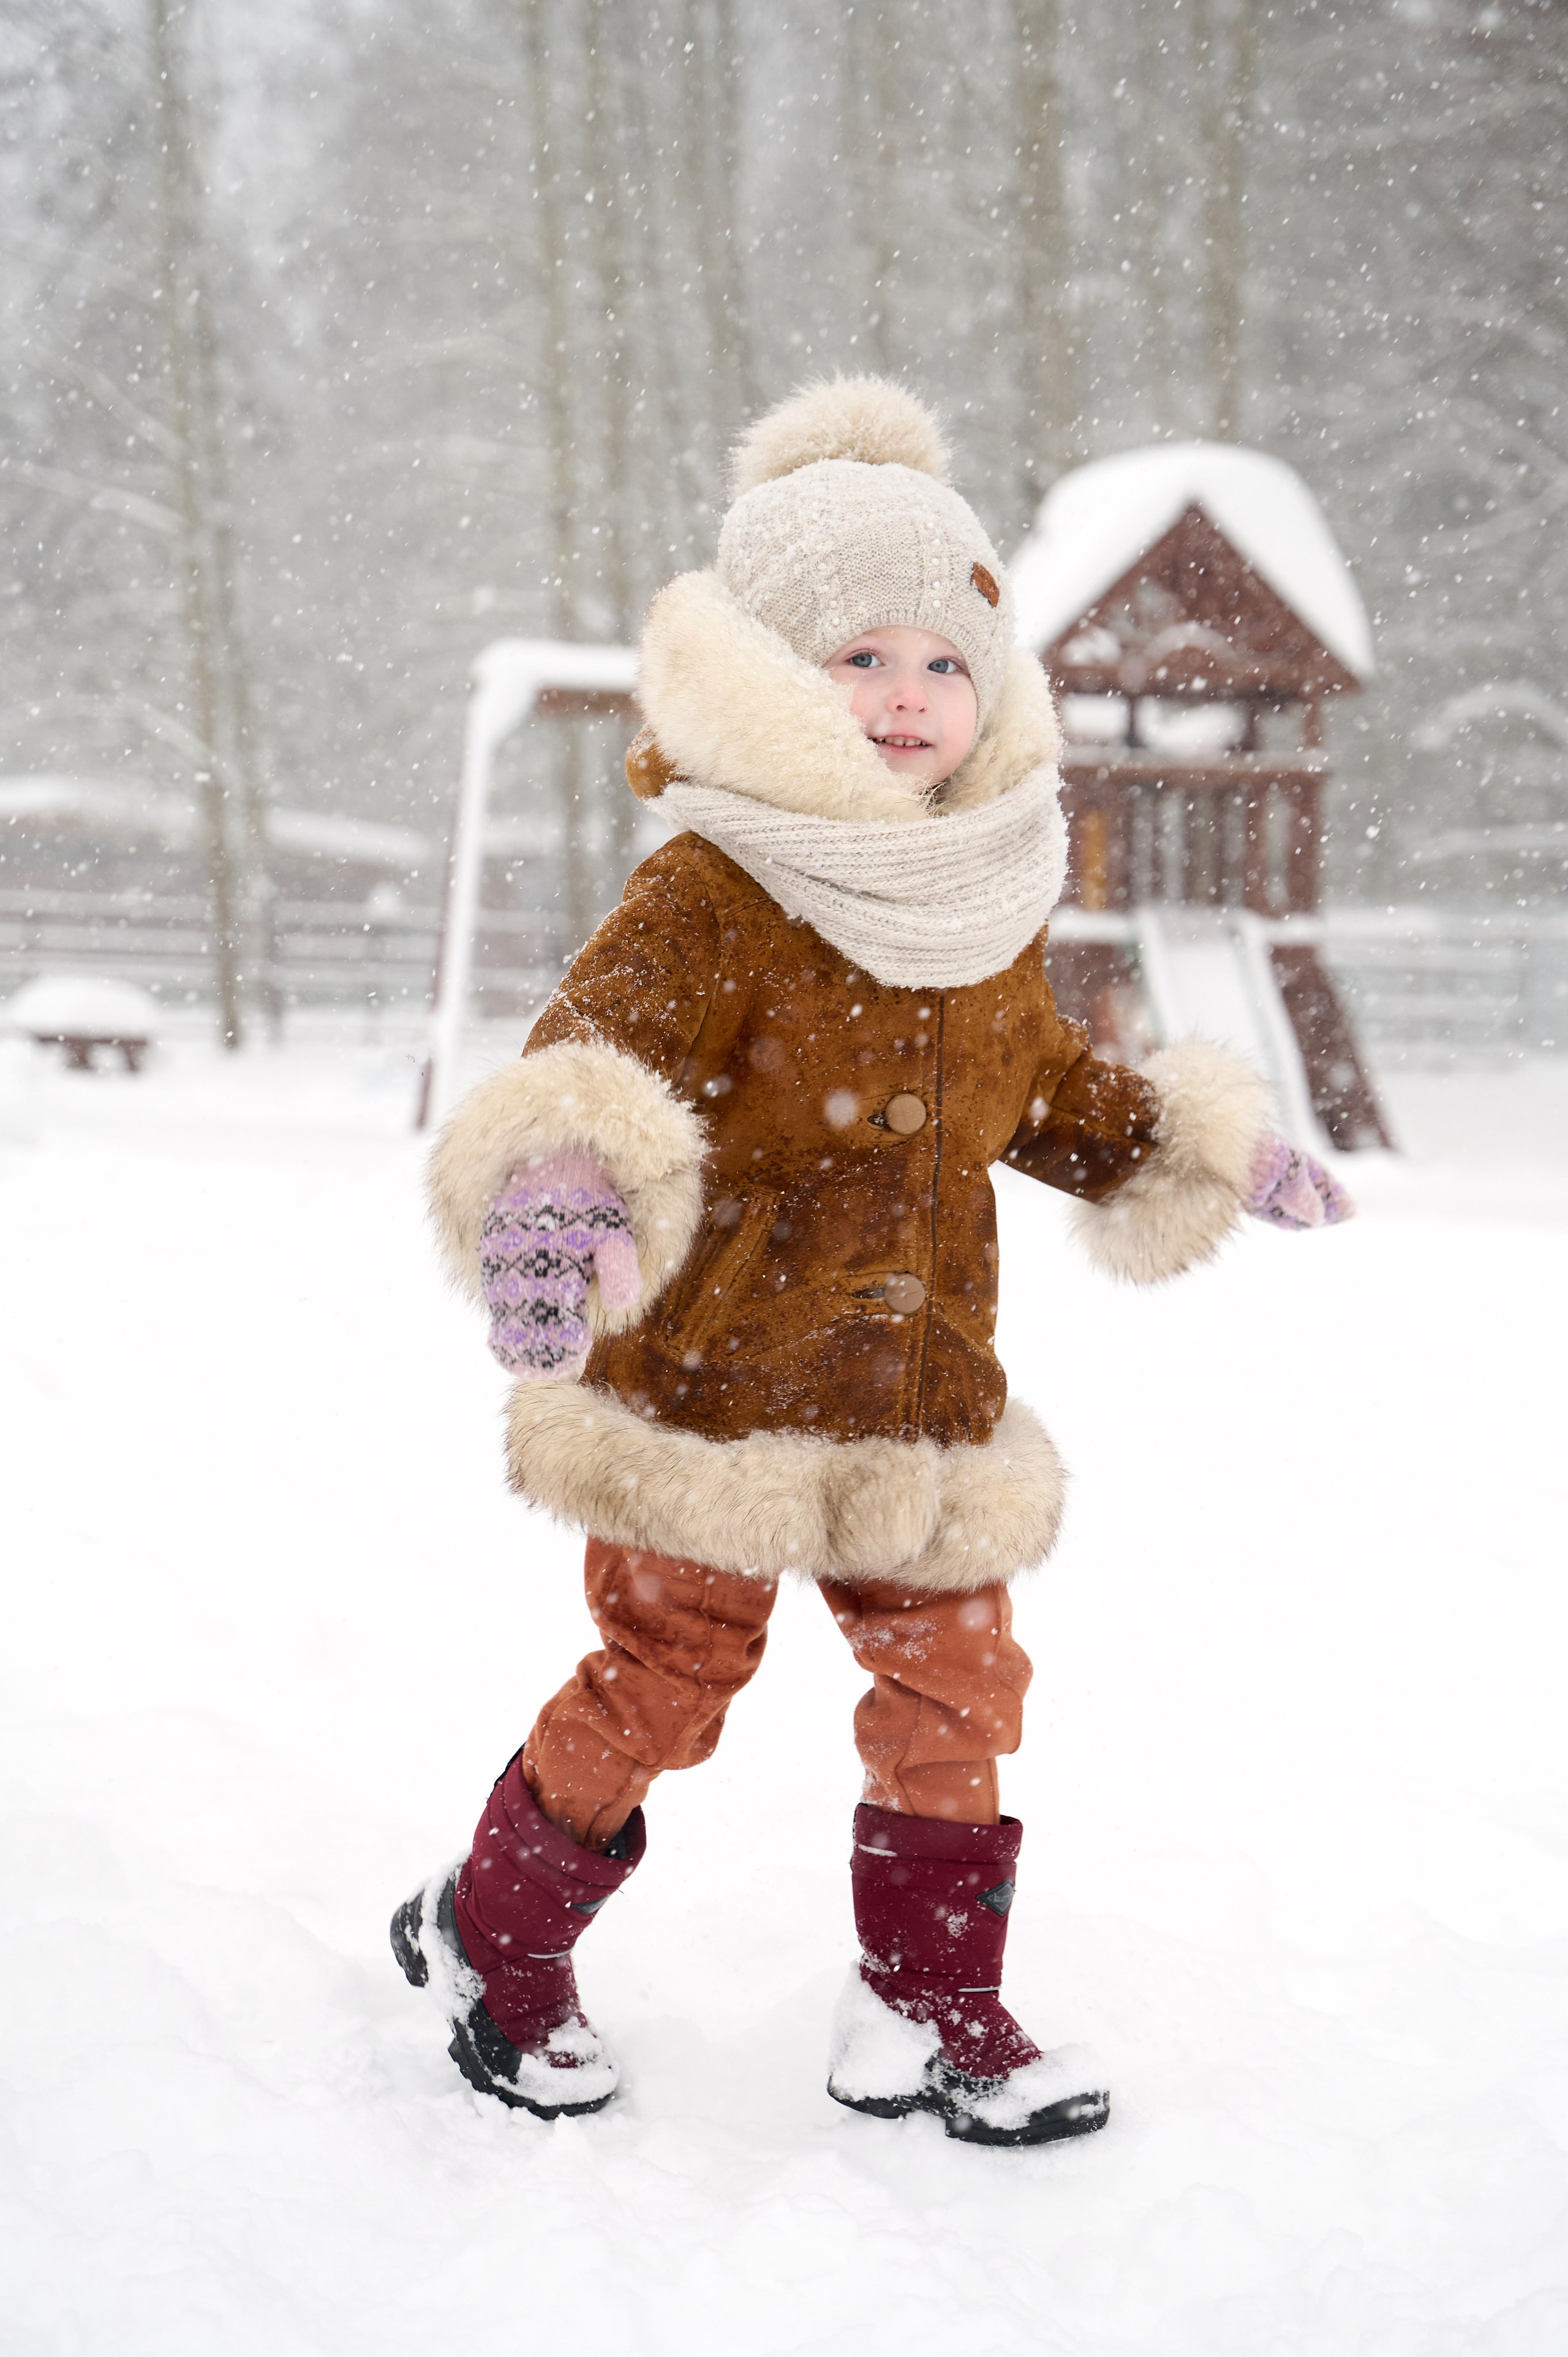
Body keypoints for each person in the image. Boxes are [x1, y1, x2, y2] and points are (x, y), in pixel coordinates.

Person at [391, 377, 1351, 2146]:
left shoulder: (984, 899)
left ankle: (928, 2002)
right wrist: (559, 1190)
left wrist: (1195, 1143)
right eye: (860, 659)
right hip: (713, 1401)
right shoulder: (717, 891)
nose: (909, 697)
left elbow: (1038, 1082)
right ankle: (490, 1940)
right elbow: (586, 1057)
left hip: (918, 1399)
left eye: (943, 661)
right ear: (774, 678)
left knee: (959, 1684)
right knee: (666, 1690)